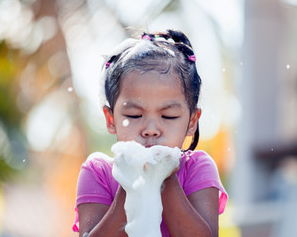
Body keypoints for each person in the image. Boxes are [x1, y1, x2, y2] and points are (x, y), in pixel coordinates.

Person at [73, 29, 228, 237]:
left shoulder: (197, 168)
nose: (151, 130)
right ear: (111, 120)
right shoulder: (98, 172)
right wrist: (130, 181)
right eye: (135, 115)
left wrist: (166, 178)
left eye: (169, 116)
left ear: (192, 122)